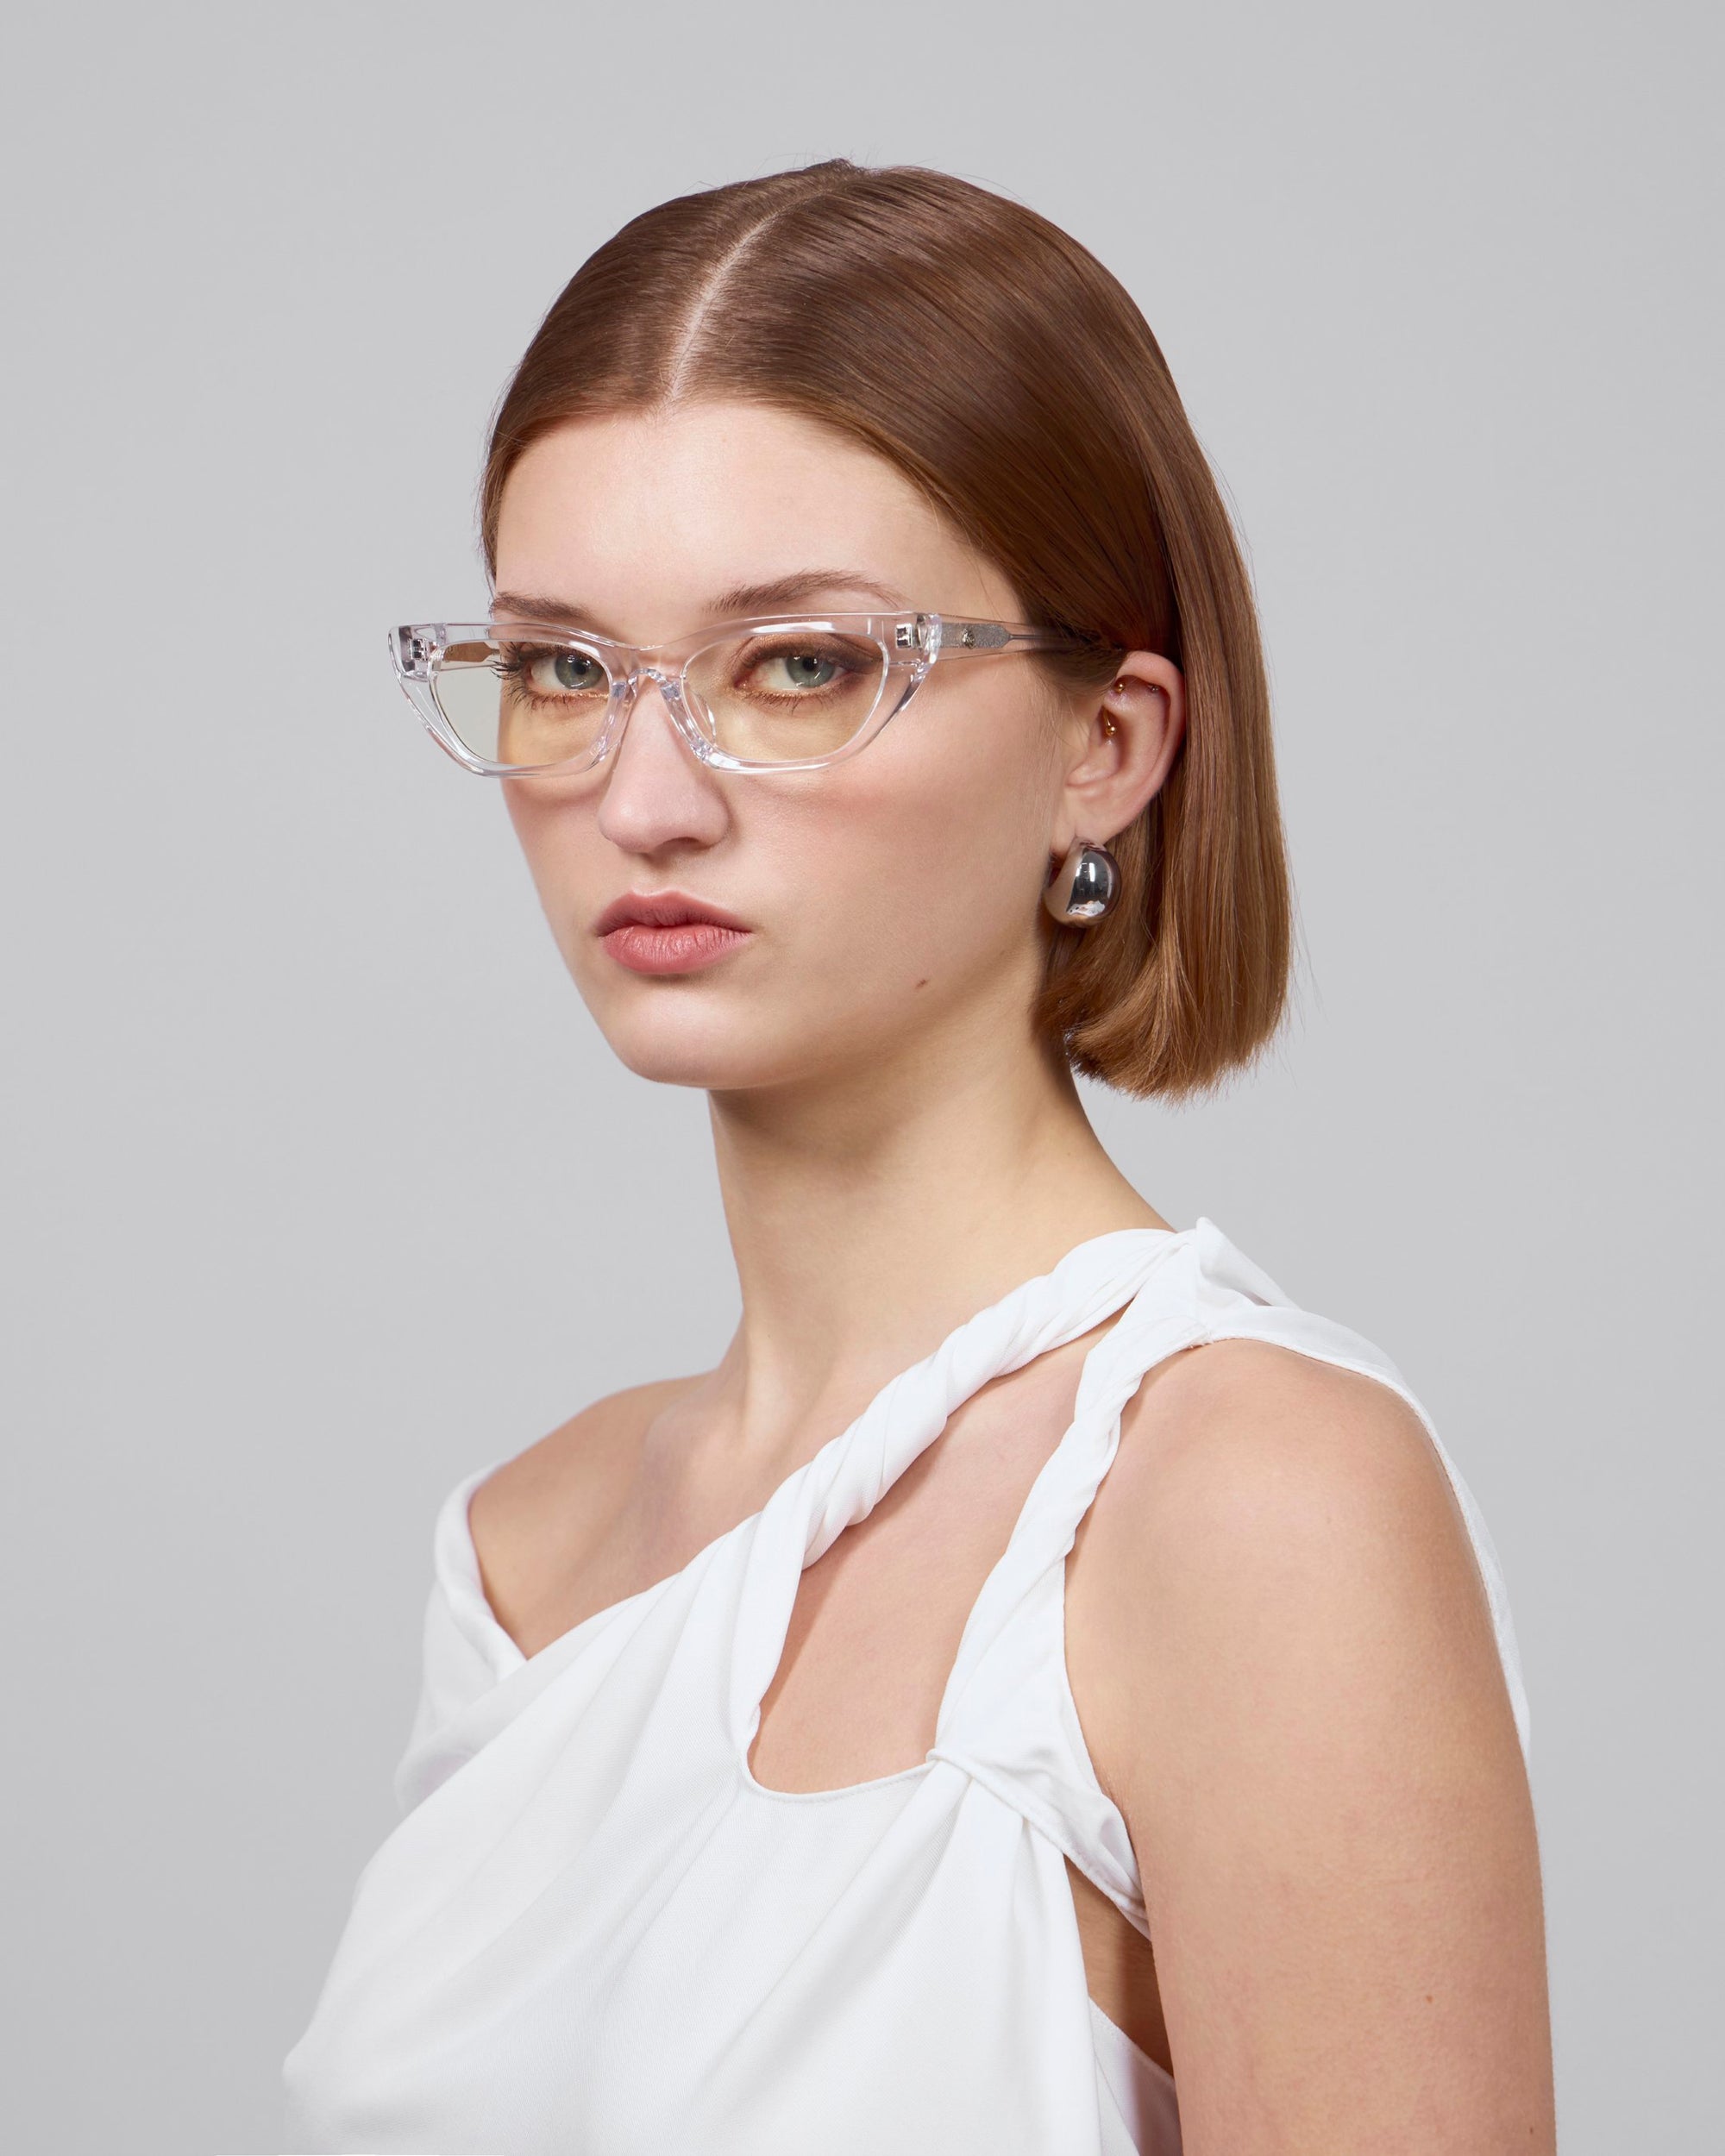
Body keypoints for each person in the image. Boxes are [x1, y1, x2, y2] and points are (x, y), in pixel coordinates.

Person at [280, 160, 1554, 2154]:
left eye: (796, 663)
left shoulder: (1240, 1500)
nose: (642, 797)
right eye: (561, 667)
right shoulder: (530, 1547)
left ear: (1105, 746)